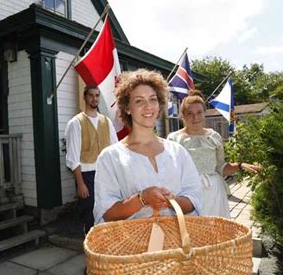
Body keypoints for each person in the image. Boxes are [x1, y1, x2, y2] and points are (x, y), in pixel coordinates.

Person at [93, 69, 203, 224]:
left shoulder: (177, 152)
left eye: (153, 99)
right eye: (139, 101)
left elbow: (194, 197)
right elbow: (106, 213)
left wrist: (172, 202)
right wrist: (142, 199)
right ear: (127, 108)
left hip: (178, 243)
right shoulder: (111, 157)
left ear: (159, 104)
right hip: (133, 245)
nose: (148, 106)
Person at [167, 90, 261, 218]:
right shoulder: (174, 139)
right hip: (186, 193)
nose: (195, 118)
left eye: (199, 112)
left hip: (214, 193)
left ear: (204, 113)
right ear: (183, 115)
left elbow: (221, 167)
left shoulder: (214, 136)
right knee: (189, 232)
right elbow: (169, 171)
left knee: (215, 232)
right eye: (190, 113)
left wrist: (240, 165)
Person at [65, 85, 118, 234]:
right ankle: (90, 245)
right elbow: (73, 158)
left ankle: (105, 244)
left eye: (97, 95)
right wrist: (80, 183)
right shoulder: (76, 123)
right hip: (87, 175)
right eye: (91, 95)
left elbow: (115, 150)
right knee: (89, 212)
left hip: (106, 174)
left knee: (108, 208)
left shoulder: (106, 122)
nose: (94, 98)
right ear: (85, 97)